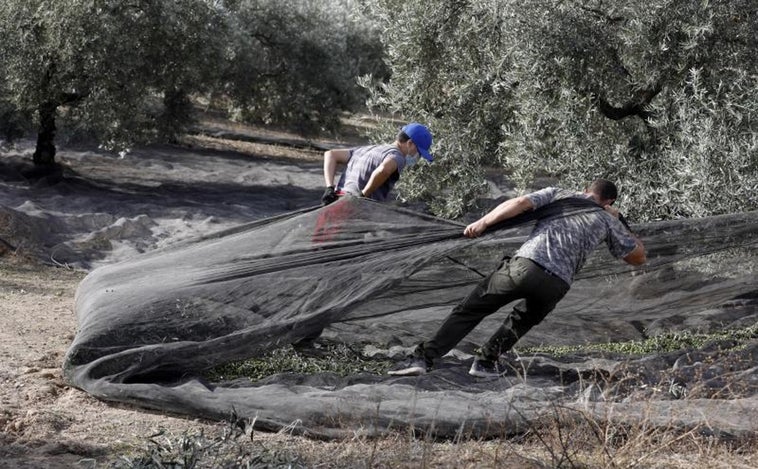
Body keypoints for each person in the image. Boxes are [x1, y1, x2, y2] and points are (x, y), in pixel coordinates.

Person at [389, 179, 647, 377]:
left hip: (526, 265)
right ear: (609, 202)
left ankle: (423, 359)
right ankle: (486, 362)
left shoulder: (560, 194)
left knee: (470, 309)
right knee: (521, 321)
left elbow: (520, 203)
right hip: (556, 284)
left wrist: (484, 221)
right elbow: (638, 257)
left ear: (585, 189)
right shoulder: (606, 220)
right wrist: (620, 220)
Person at [320, 122, 433, 205]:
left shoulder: (369, 149)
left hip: (335, 201)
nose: (417, 157)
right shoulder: (398, 156)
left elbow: (331, 154)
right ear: (410, 143)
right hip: (352, 210)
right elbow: (384, 169)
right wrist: (364, 195)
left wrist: (329, 188)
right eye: (418, 152)